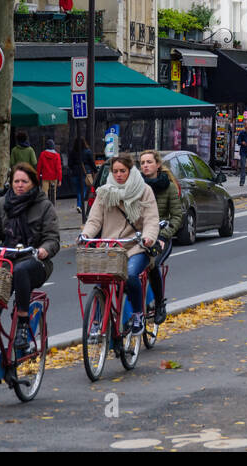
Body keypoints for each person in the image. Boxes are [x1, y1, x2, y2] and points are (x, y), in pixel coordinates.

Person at [0, 163, 59, 354]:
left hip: (36, 262)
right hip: (7, 260)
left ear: (33, 183)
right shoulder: (3, 204)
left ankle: (23, 324)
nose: (19, 185)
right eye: (16, 181)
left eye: (24, 182)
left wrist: (44, 250)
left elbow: (53, 239)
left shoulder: (44, 206)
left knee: (20, 271)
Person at [80, 154, 160, 335]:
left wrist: (148, 237)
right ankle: (97, 319)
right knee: (101, 280)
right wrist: (85, 234)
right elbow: (94, 220)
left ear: (130, 171)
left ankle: (138, 314)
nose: (118, 175)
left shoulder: (144, 190)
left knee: (131, 275)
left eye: (122, 171)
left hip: (135, 245)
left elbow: (151, 219)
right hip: (110, 247)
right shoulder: (104, 192)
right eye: (115, 171)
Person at [138, 150, 183, 323]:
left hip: (161, 236)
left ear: (157, 165)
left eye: (149, 162)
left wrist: (164, 237)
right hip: (139, 235)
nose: (145, 166)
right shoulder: (136, 187)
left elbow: (177, 217)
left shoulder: (169, 187)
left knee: (152, 264)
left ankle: (159, 304)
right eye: (142, 163)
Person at [70, 137, 95, 215]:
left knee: (78, 190)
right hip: (85, 172)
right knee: (83, 190)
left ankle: (79, 205)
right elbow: (92, 163)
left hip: (75, 173)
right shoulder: (88, 152)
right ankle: (80, 205)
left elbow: (69, 164)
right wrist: (95, 170)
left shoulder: (72, 152)